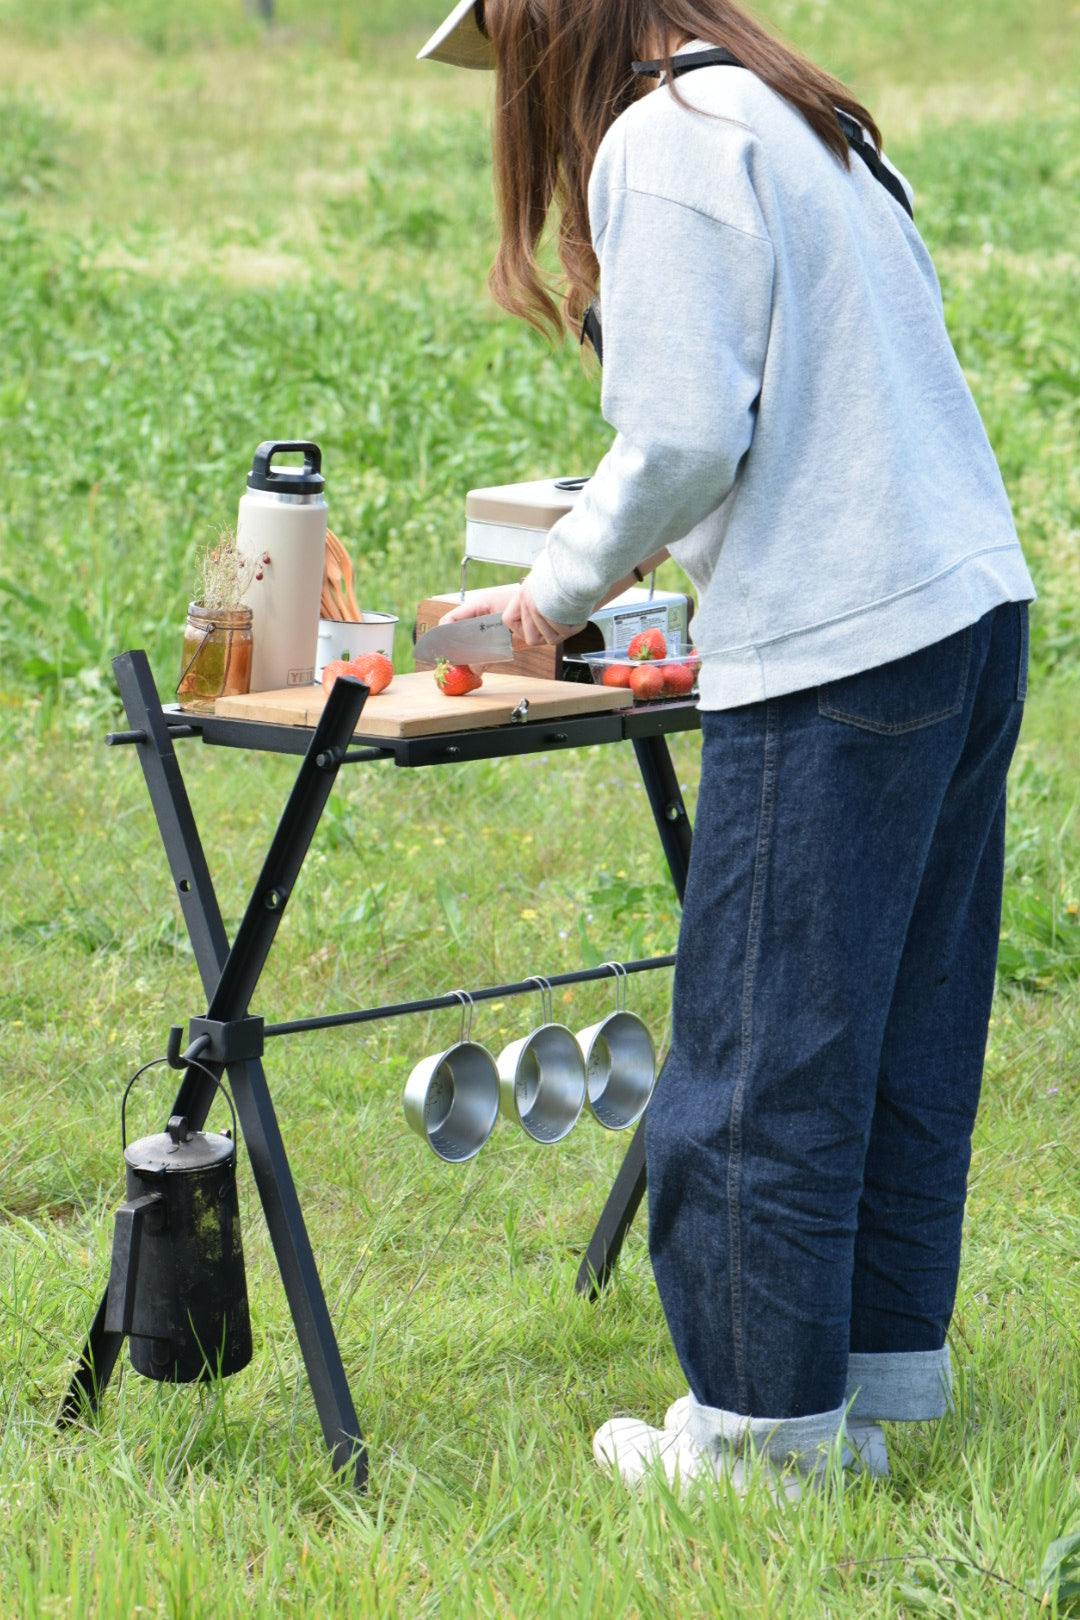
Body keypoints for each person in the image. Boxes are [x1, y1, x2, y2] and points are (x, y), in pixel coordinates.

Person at [418, 0, 1035, 1493]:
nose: (517, 95)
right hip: (964, 609)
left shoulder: (665, 141)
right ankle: (876, 1392)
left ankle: (761, 1439)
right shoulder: (796, 118)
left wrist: (545, 598)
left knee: (762, 1053)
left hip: (841, 642)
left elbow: (688, 434)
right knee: (899, 1032)